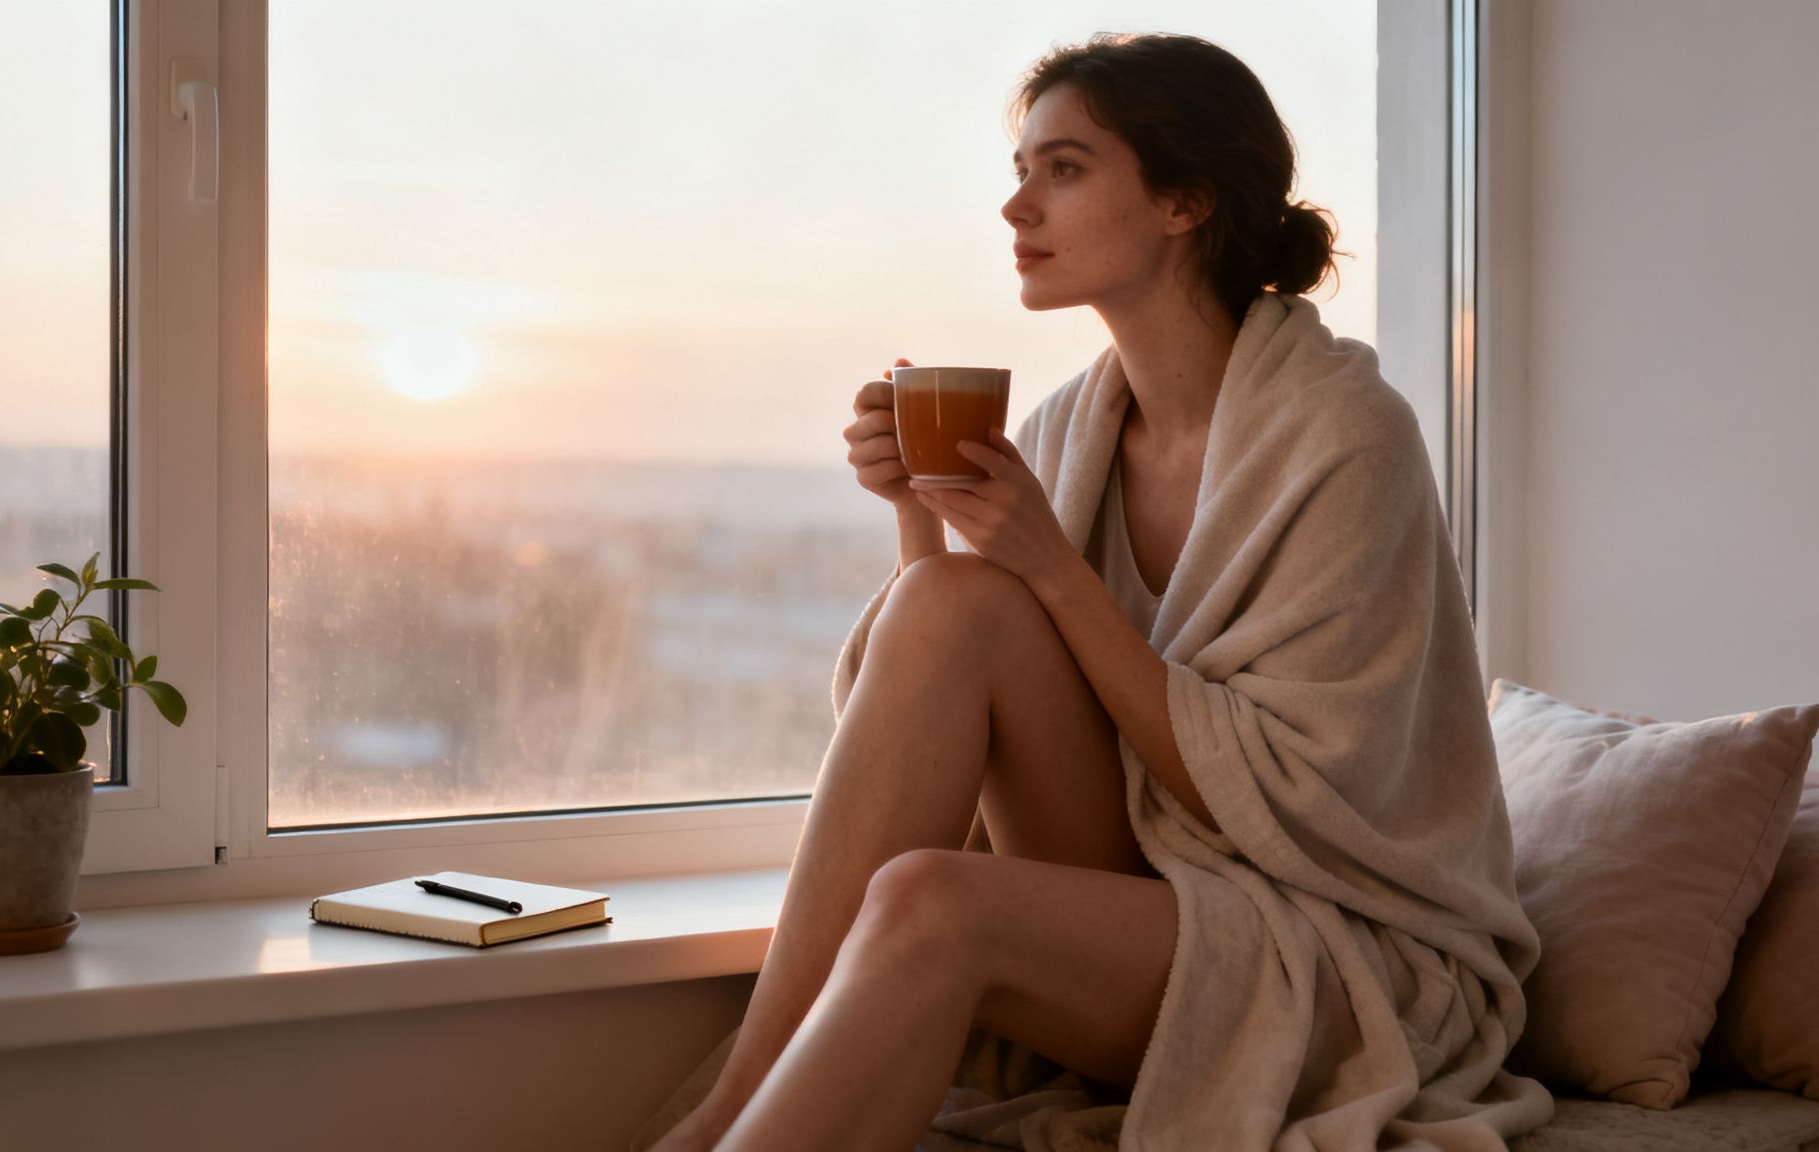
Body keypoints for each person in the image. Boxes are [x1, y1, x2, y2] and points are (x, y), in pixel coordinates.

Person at [639, 31, 1550, 1152]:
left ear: (1182, 201)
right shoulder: (1074, 422)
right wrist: (917, 514)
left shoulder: (1344, 436)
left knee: (932, 899)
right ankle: (730, 1107)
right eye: (1020, 171)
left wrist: (1048, 568)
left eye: (1061, 170)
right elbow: (950, 712)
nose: (1017, 208)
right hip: (1144, 876)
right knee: (945, 605)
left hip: (1330, 936)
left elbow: (1279, 802)